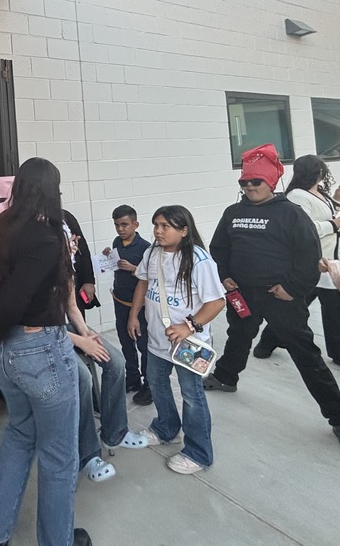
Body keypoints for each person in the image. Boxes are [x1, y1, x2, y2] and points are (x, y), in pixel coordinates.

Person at [203, 144, 340, 461]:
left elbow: (308, 255)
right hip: (242, 293)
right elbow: (219, 248)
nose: (250, 187)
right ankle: (226, 376)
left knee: (307, 356)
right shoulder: (233, 213)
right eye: (245, 183)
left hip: (281, 296)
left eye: (256, 182)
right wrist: (225, 276)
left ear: (272, 182)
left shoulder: (290, 213)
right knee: (239, 337)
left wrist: (292, 289)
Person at [0, 158, 90, 546]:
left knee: (20, 436)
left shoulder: (1, 227)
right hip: (39, 350)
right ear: (50, 189)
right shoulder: (44, 237)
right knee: (60, 457)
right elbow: (13, 300)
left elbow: (2, 291)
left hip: (7, 359)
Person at [127, 205, 225, 474]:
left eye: (165, 226)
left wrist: (189, 326)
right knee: (157, 384)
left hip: (190, 344)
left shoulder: (198, 260)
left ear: (184, 230)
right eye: (156, 225)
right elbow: (143, 284)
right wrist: (134, 315)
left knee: (192, 397)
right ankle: (166, 428)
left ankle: (199, 453)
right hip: (157, 339)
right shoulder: (152, 253)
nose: (158, 231)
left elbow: (216, 302)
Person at [253, 154, 340, 371]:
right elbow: (304, 229)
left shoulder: (318, 192)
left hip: (330, 264)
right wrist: (336, 223)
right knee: (298, 308)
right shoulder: (298, 196)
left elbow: (322, 214)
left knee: (333, 309)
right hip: (312, 264)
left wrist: (336, 198)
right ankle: (269, 340)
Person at [64, 211, 147, 483]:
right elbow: (40, 329)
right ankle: (87, 455)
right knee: (83, 378)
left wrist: (87, 332)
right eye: (71, 241)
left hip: (69, 329)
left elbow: (72, 308)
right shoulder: (33, 271)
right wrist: (79, 341)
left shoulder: (65, 268)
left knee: (116, 361)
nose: (76, 245)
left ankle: (116, 432)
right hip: (45, 336)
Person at [101, 205, 153, 405]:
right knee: (125, 341)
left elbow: (151, 276)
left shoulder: (146, 248)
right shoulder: (117, 242)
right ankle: (133, 378)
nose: (120, 229)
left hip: (138, 306)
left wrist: (134, 268)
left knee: (143, 344)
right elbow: (114, 262)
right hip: (120, 300)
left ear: (135, 224)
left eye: (124, 225)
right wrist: (108, 255)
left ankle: (150, 384)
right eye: (116, 225)